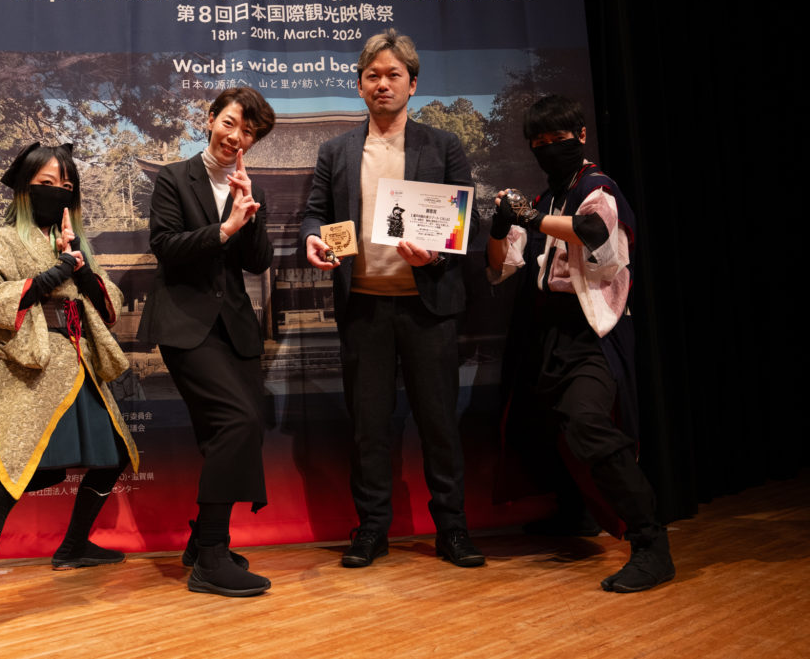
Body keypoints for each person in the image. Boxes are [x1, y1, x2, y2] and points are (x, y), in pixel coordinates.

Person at [0, 142, 139, 654]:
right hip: (29, 372)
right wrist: (48, 276)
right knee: (3, 486)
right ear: (25, 189)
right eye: (46, 183)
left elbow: (110, 303)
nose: (57, 192)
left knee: (115, 455)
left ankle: (74, 546)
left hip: (79, 366)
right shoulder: (0, 240)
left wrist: (80, 268)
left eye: (66, 185)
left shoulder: (77, 243)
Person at [301, 29, 484, 568]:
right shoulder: (336, 150)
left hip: (429, 308)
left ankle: (452, 529)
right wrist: (312, 238)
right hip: (364, 307)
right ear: (359, 85)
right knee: (369, 427)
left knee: (439, 423)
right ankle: (372, 528)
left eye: (393, 75)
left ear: (413, 84)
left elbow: (467, 221)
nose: (383, 84)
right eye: (372, 76)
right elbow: (314, 212)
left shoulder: (442, 145)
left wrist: (436, 256)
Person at [486, 94, 675, 592]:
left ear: (582, 136)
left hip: (592, 329)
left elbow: (594, 233)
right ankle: (576, 512)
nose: (550, 148)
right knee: (544, 423)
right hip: (542, 328)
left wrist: (527, 218)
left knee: (587, 420)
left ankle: (651, 544)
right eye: (540, 142)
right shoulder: (546, 199)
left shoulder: (597, 189)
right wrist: (501, 226)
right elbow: (501, 267)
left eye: (559, 138)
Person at [137, 87, 275, 597]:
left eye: (248, 132)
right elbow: (165, 246)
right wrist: (224, 229)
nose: (236, 137)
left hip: (234, 327)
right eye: (230, 123)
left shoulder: (247, 187)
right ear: (211, 119)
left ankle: (202, 542)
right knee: (236, 421)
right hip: (184, 323)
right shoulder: (175, 177)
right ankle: (212, 557)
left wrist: (247, 213)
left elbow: (258, 262)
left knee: (237, 430)